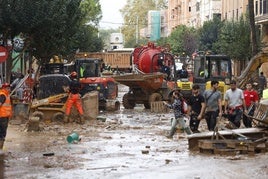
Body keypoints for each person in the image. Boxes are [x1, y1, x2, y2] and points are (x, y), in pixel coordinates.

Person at [0, 83, 12, 149]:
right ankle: (0, 147)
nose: (9, 89)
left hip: (4, 116)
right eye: (8, 88)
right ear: (4, 88)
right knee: (2, 132)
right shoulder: (3, 95)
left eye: (9, 88)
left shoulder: (6, 95)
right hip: (2, 117)